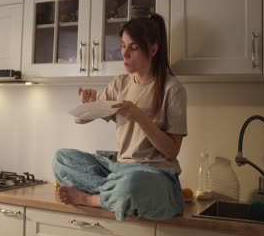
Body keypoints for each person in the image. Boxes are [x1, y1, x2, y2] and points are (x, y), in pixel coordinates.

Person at [52, 13, 187, 221]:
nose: (125, 54)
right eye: (123, 46)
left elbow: (171, 150)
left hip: (156, 176)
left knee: (133, 184)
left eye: (133, 48)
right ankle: (115, 193)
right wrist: (86, 106)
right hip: (119, 169)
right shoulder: (119, 84)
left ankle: (91, 199)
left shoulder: (173, 89)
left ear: (153, 50)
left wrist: (139, 115)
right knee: (61, 159)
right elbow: (81, 120)